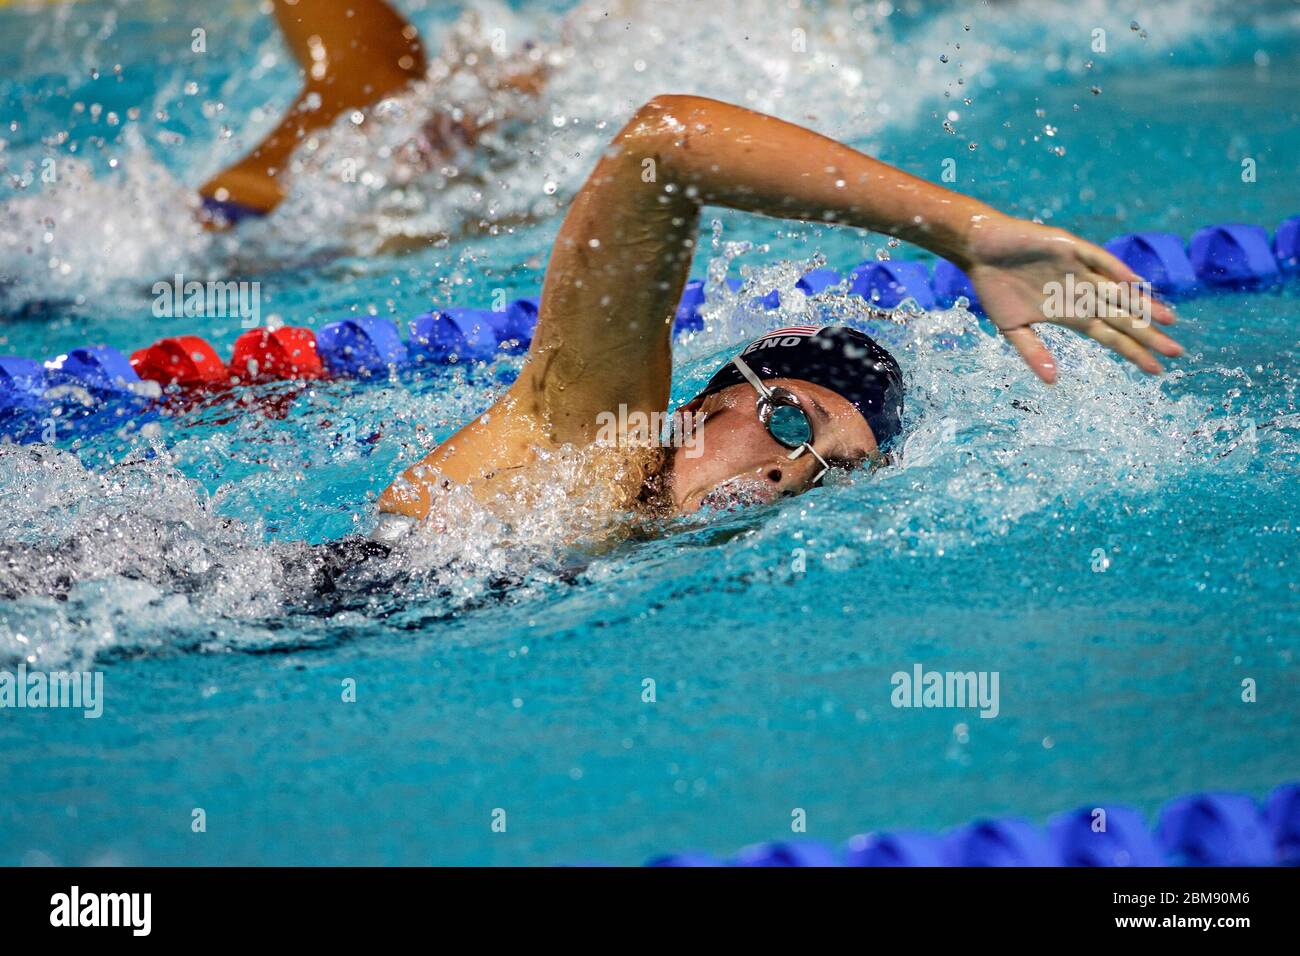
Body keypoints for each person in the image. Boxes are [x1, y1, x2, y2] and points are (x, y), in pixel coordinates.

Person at [371, 93, 1182, 539]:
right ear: (701, 407)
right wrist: (962, 234)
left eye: (838, 471)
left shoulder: (629, 553)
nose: (792, 473)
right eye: (794, 424)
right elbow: (667, 147)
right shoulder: (582, 449)